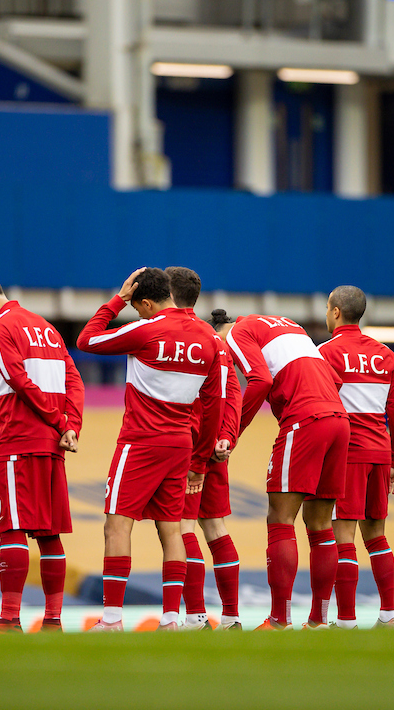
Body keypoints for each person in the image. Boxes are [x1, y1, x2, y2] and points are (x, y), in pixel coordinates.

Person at [77, 268, 223, 632]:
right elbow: (214, 404)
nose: (137, 312)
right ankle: (172, 619)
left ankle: (111, 620)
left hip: (140, 441)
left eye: (138, 306)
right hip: (181, 446)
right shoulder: (209, 337)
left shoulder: (146, 329)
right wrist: (200, 461)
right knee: (171, 530)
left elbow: (87, 341)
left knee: (116, 525)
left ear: (145, 301)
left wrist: (116, 301)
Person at [0, 275, 84, 633]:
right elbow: (74, 379)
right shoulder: (46, 327)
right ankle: (53, 620)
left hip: (19, 438)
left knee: (11, 528)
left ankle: (10, 618)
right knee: (49, 533)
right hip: (52, 443)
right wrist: (70, 424)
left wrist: (60, 421)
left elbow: (16, 377)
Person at [212, 307, 349, 630]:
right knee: (320, 525)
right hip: (338, 420)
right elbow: (336, 379)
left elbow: (259, 380)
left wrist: (229, 433)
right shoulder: (289, 325)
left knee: (280, 519)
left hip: (304, 420)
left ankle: (279, 620)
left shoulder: (236, 333)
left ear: (219, 331)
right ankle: (318, 622)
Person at [317, 285, 394, 630]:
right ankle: (389, 615)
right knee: (377, 536)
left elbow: (321, 405)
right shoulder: (385, 354)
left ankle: (346, 619)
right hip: (379, 452)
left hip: (347, 454)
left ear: (336, 312)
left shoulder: (326, 353)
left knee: (343, 537)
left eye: (328, 308)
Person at [165, 266, 243, 631]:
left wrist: (202, 449)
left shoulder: (189, 338)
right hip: (217, 445)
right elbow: (233, 395)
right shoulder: (220, 345)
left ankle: (195, 615)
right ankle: (230, 617)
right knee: (216, 527)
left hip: (190, 446)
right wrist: (226, 438)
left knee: (183, 529)